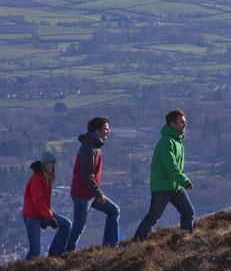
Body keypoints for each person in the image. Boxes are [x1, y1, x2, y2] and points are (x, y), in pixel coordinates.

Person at [132, 109, 195, 242]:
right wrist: (185, 181)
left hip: (174, 186)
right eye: (181, 122)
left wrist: (180, 181)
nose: (185, 125)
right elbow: (171, 166)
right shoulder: (166, 142)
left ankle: (185, 240)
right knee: (153, 217)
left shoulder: (177, 140)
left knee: (188, 211)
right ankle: (136, 243)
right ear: (172, 124)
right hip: (162, 187)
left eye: (185, 122)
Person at [64, 116, 120, 251]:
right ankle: (67, 253)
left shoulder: (94, 146)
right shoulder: (88, 149)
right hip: (83, 194)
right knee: (79, 226)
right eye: (106, 129)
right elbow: (87, 176)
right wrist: (99, 194)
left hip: (90, 193)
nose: (108, 132)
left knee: (114, 211)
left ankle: (110, 246)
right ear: (97, 130)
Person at [22, 151, 71, 259]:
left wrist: (48, 215)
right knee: (35, 250)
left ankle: (55, 254)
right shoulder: (36, 179)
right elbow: (38, 202)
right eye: (51, 164)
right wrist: (50, 217)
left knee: (66, 224)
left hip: (41, 214)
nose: (53, 167)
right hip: (32, 217)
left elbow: (43, 203)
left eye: (54, 164)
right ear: (46, 165)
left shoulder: (45, 178)